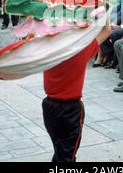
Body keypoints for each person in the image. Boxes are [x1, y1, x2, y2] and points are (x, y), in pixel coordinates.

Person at [43, 16, 110, 162]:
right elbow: (106, 30)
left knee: (60, 151)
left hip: (49, 107)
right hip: (70, 110)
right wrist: (105, 6)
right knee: (67, 156)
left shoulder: (47, 50)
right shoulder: (80, 50)